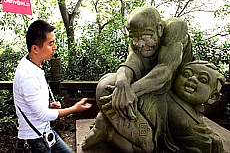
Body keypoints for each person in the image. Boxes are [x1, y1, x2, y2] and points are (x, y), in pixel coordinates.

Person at [83, 60, 225, 153]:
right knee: (147, 147)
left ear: (213, 97)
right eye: (187, 74)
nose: (192, 79)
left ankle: (107, 122)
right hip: (116, 96)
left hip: (112, 87)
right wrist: (215, 143)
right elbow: (200, 144)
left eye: (202, 80)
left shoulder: (177, 101)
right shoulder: (181, 114)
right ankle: (109, 131)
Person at [13, 20, 92, 153]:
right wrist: (74, 109)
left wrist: (48, 105)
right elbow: (43, 115)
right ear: (35, 48)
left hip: (45, 133)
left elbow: (33, 104)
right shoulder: (27, 75)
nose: (54, 47)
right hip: (34, 141)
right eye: (50, 44)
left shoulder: (33, 64)